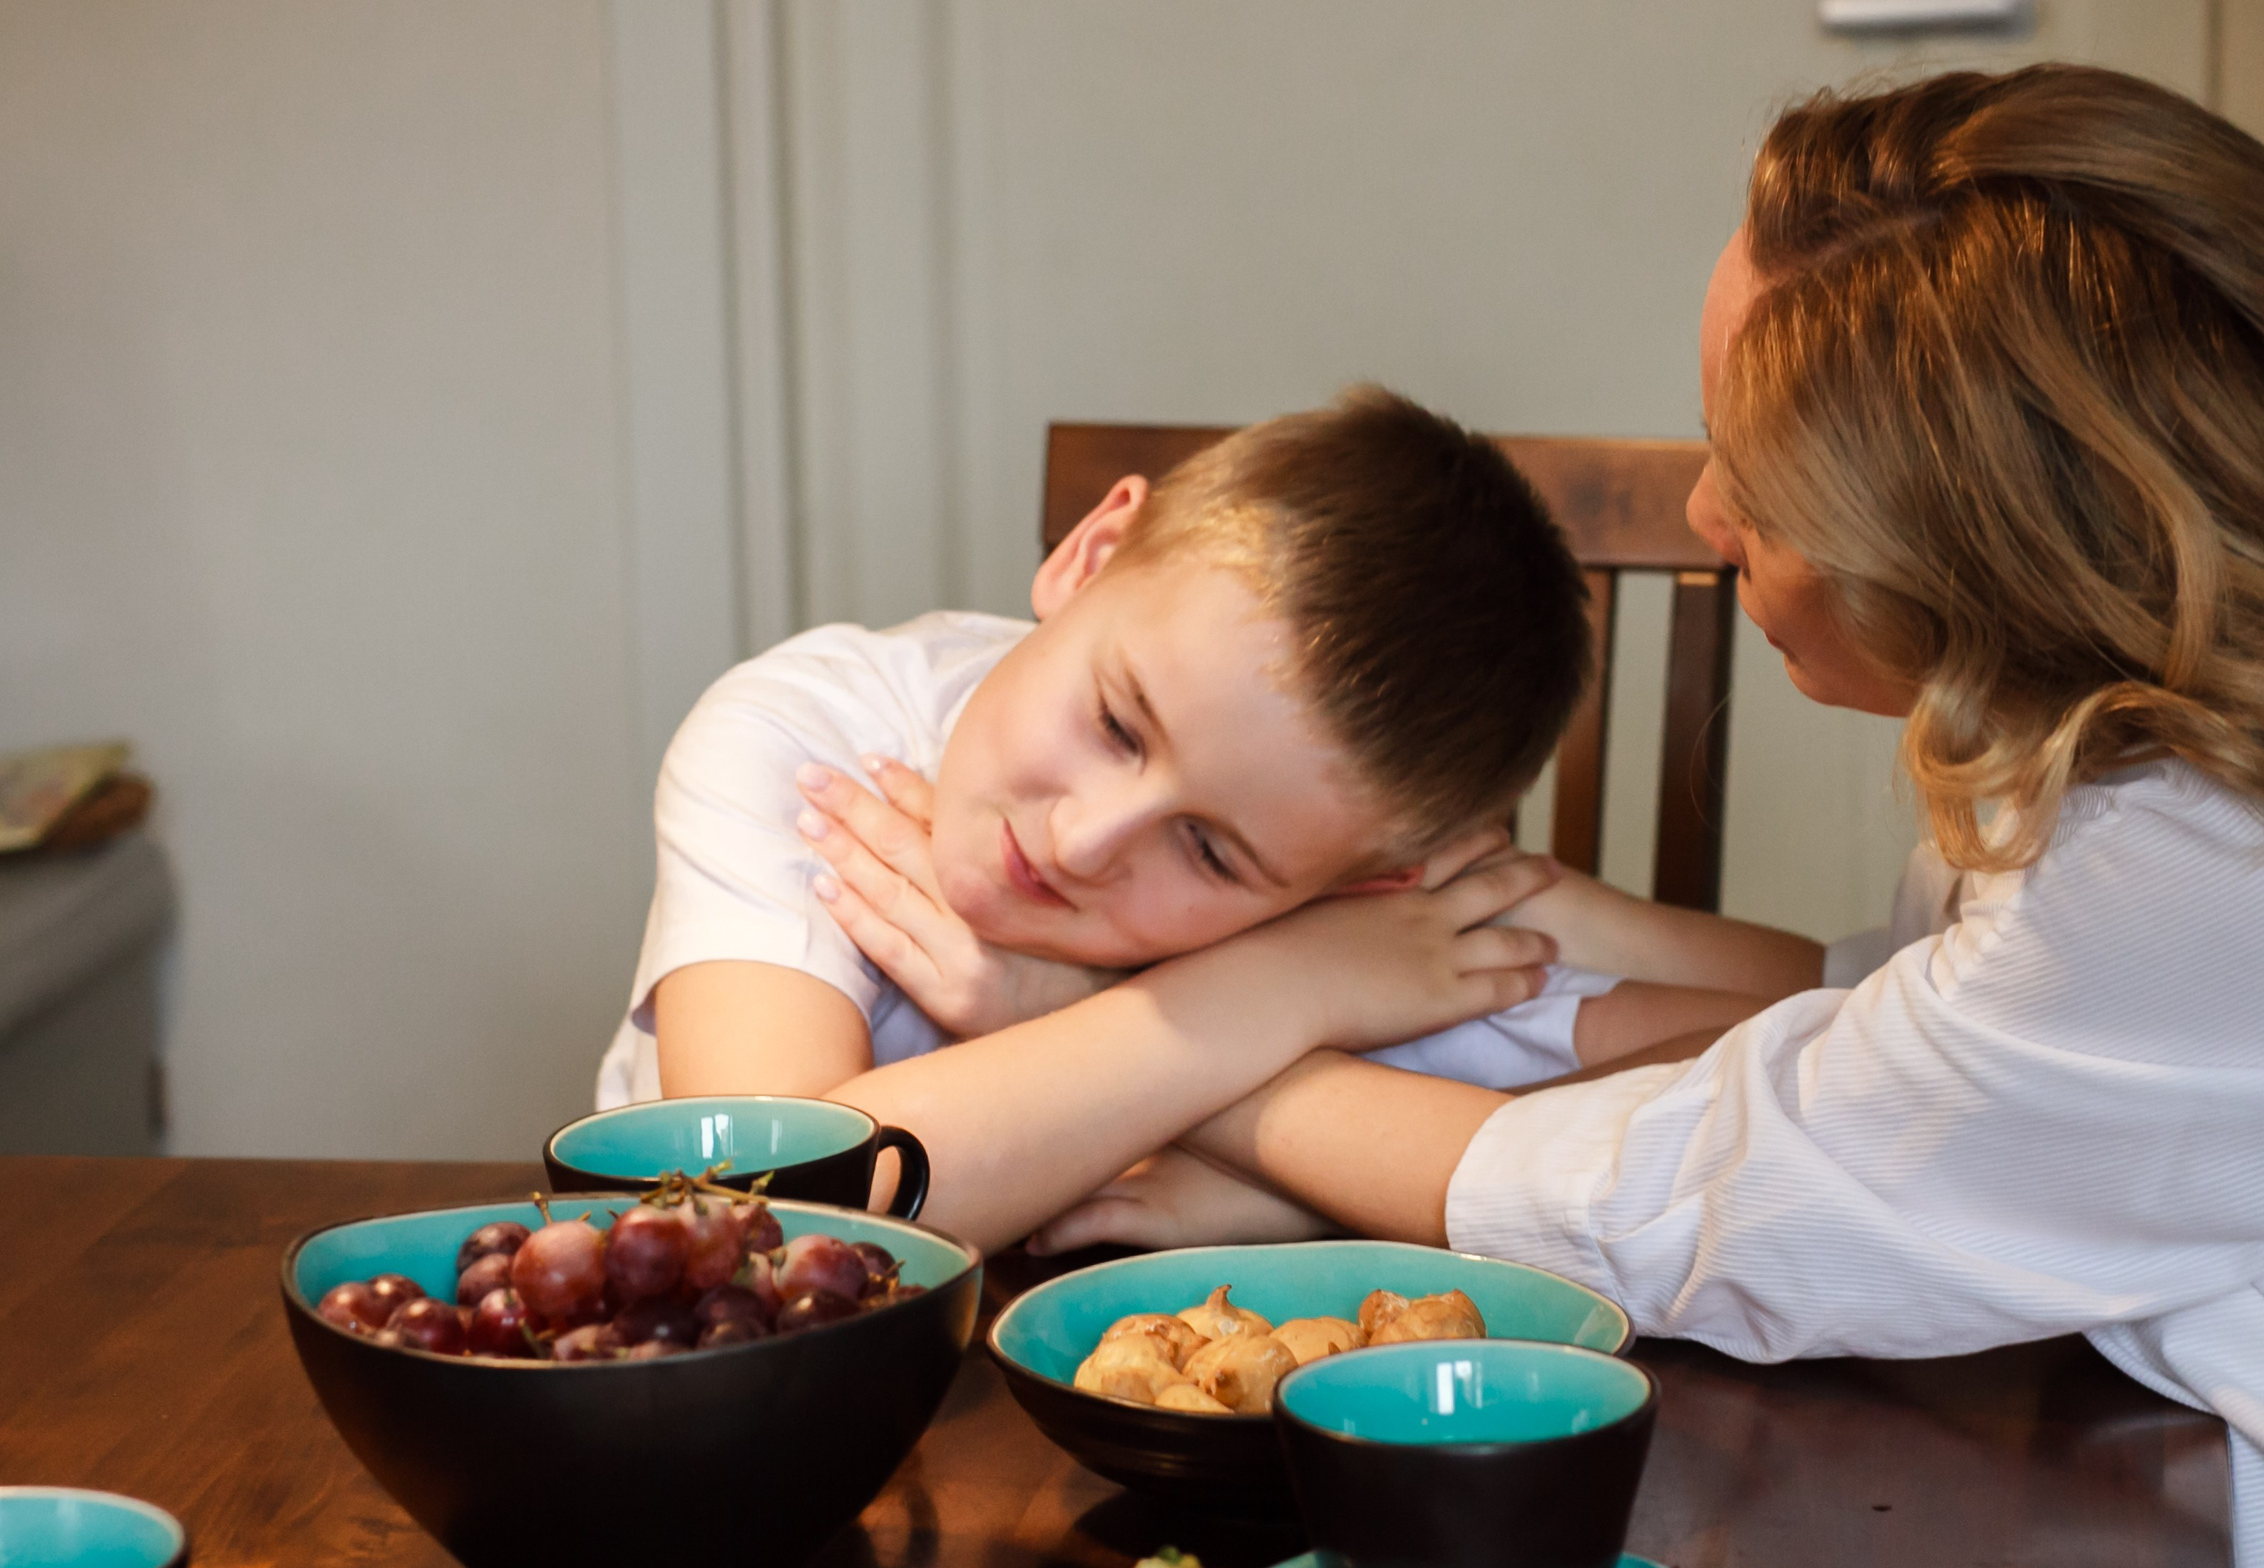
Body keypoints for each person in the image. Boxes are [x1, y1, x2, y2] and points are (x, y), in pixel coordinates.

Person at [807, 67, 2264, 1568]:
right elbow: (1946, 1051)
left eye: (1757, 487)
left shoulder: (2233, 857)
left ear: (1999, 563)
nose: (1704, 516)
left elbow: (1714, 1203)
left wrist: (1197, 1040)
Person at [598, 386, 1760, 1248]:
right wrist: (1264, 999)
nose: (1082, 840)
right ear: (1092, 555)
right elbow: (770, 1221)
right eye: (1116, 721)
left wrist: (1282, 1183)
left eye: (1206, 851)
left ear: (1368, 887)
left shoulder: (1366, 918)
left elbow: (1833, 1050)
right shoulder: (816, 739)